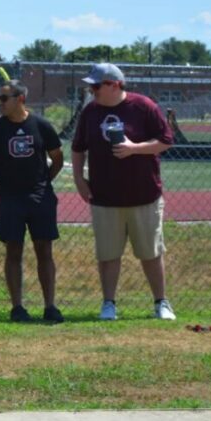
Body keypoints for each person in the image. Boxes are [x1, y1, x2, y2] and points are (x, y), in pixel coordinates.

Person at [71, 63, 176, 321]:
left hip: (144, 196)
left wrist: (134, 148)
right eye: (90, 86)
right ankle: (109, 304)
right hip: (104, 197)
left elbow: (165, 141)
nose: (92, 90)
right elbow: (78, 148)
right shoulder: (90, 112)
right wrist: (79, 180)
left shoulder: (144, 106)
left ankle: (161, 303)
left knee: (150, 252)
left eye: (96, 86)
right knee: (108, 255)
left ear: (114, 85)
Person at [0, 80, 64, 323]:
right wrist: (7, 186)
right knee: (13, 250)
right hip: (10, 199)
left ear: (20, 99)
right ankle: (17, 307)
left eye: (4, 98)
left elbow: (57, 157)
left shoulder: (41, 125)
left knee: (44, 250)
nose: (0, 103)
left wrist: (43, 182)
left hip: (40, 198)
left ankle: (50, 306)